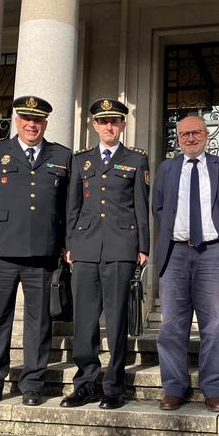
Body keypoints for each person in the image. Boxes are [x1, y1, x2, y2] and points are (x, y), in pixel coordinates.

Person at [0, 95, 71, 409]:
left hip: (43, 252)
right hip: (0, 250)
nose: (31, 125)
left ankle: (33, 384)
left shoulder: (62, 156)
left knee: (39, 324)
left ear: (45, 123)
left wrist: (67, 244)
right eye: (26, 119)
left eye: (38, 120)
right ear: (17, 121)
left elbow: (69, 207)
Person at [60, 98, 150, 410]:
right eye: (102, 121)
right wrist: (70, 243)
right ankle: (85, 384)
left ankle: (114, 387)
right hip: (85, 248)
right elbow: (72, 207)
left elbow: (141, 206)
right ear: (94, 125)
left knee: (116, 321)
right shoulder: (80, 161)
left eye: (114, 121)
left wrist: (143, 247)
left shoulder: (136, 160)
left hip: (120, 248)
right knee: (84, 321)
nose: (108, 126)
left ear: (123, 125)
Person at [152, 115, 219, 412]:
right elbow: (159, 208)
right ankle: (174, 387)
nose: (190, 138)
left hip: (213, 254)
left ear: (207, 134)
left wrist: (209, 230)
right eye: (184, 134)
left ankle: (214, 388)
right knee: (171, 325)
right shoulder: (167, 168)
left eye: (195, 133)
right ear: (177, 138)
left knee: (213, 325)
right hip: (175, 253)